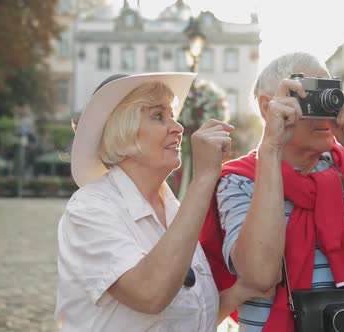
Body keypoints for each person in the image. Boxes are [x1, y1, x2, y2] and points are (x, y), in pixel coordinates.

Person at [200, 53, 344, 332]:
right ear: (267, 107)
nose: (323, 108)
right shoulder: (240, 182)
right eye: (308, 95)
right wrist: (272, 149)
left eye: (328, 94)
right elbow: (259, 274)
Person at [55, 72, 265, 331]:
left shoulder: (174, 210)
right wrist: (203, 179)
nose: (178, 128)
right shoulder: (89, 208)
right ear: (123, 131)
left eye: (173, 115)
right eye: (158, 116)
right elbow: (150, 294)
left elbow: (192, 317)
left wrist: (243, 290)